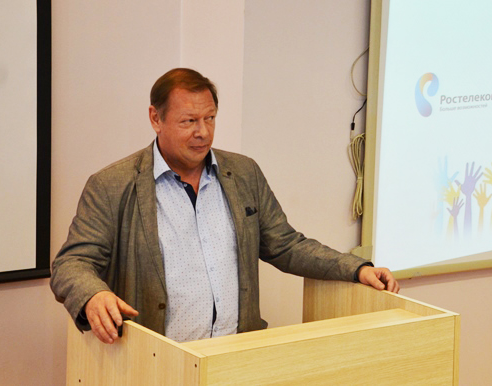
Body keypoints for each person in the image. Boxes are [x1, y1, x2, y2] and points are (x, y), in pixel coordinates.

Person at [51, 68, 398, 344]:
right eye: (189, 121)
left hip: (235, 358)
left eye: (210, 118)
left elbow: (286, 244)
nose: (203, 132)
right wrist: (93, 295)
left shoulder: (243, 173)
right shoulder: (112, 185)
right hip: (157, 362)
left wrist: (355, 268)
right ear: (156, 119)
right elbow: (71, 264)